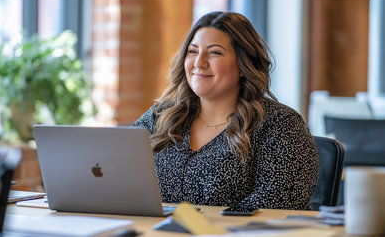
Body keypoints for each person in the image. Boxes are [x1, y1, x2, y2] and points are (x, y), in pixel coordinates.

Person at [133, 11, 319, 210]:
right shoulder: (159, 117)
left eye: (214, 52)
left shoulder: (280, 125)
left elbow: (278, 205)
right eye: (192, 51)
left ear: (243, 64)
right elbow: (115, 174)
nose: (198, 62)